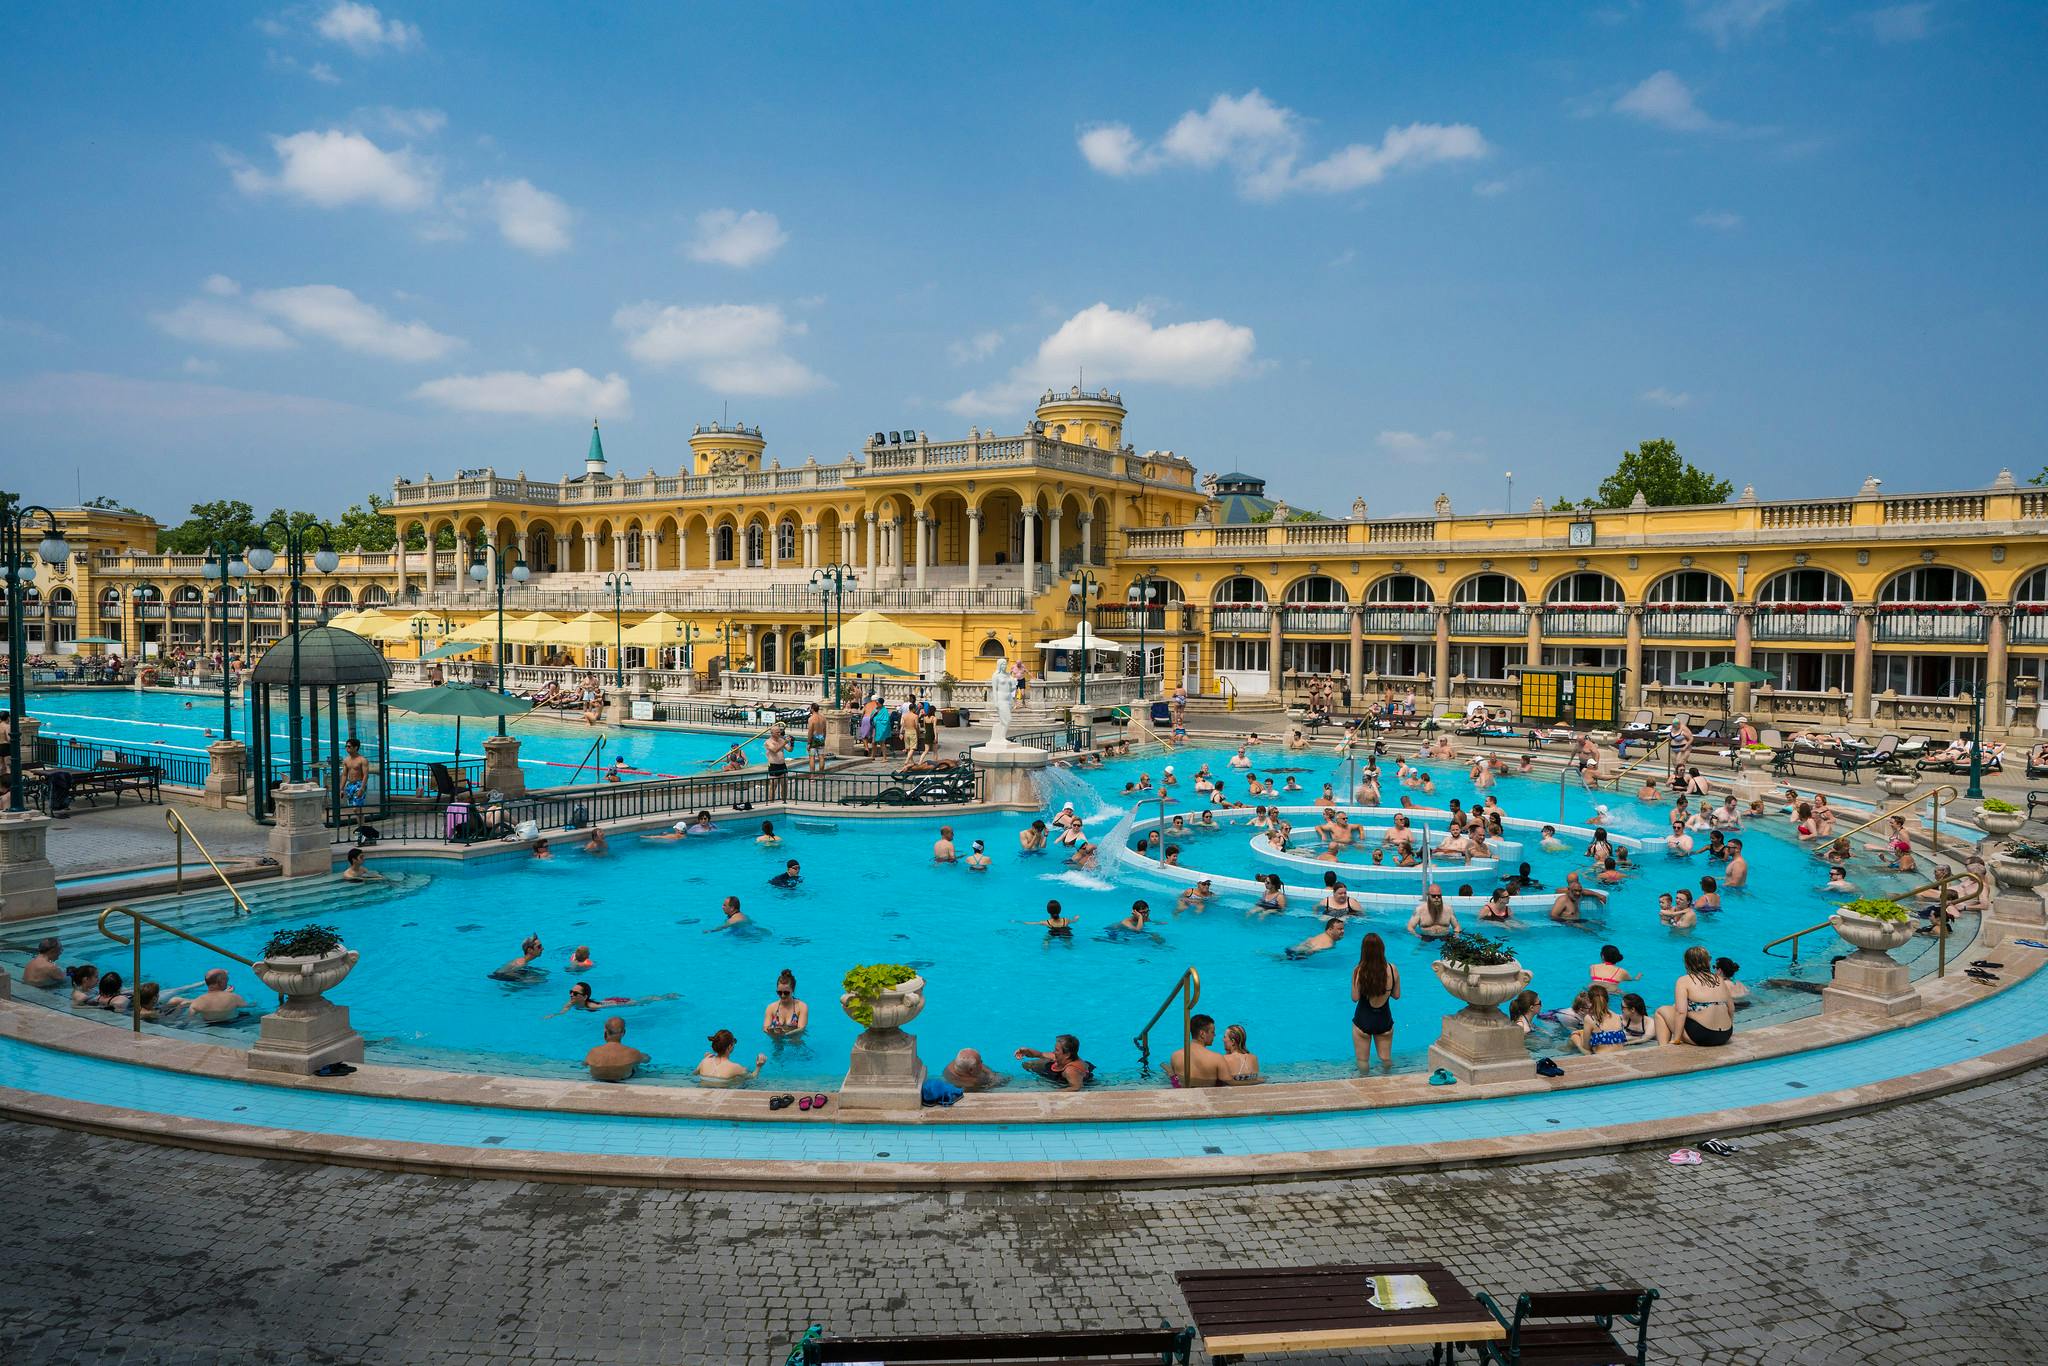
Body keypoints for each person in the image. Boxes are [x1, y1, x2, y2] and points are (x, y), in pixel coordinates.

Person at [1653, 945, 1737, 1047]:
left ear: (1687, 962)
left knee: (1661, 1011)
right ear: (1707, 961)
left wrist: (1677, 1039)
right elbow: (1731, 1008)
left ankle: (1665, 1050)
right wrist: (1729, 1027)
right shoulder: (1719, 979)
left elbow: (1681, 1012)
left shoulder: (1684, 980)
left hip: (1703, 1036)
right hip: (1725, 1035)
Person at [1350, 931, 1400, 1069]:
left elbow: (1355, 998)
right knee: (1386, 1059)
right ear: (1382, 949)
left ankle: (1363, 1087)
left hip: (1363, 1020)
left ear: (1364, 951)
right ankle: (1388, 1082)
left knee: (1363, 1061)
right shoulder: (1392, 969)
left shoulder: (1359, 970)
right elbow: (1396, 995)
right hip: (1384, 1019)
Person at [1166, 1013, 1226, 1088]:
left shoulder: (1175, 1056)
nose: (1214, 1035)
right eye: (1212, 1032)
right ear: (1202, 1034)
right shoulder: (1217, 1058)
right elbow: (1228, 1084)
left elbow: (1175, 1082)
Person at [1015, 1034, 1092, 1091]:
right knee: (1028, 1064)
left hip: (1069, 1079)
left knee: (1036, 1067)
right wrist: (1025, 1050)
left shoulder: (1070, 1071)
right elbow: (1040, 1054)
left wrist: (1053, 1092)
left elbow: (1076, 1087)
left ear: (1067, 1055)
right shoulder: (1062, 1057)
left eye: (1057, 1050)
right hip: (1059, 1070)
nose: (1053, 1052)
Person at [584, 1017, 650, 1083]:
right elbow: (647, 1060)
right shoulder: (632, 1053)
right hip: (623, 1077)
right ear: (624, 1032)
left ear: (605, 1033)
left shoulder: (593, 1052)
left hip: (597, 1077)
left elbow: (584, 1064)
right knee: (636, 1065)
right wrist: (640, 1056)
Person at [695, 1028, 767, 1085]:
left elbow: (695, 1074)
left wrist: (705, 1060)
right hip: (723, 1087)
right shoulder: (736, 1067)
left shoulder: (704, 1061)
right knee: (741, 1080)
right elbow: (753, 1078)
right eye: (734, 1043)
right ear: (730, 1046)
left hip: (704, 1085)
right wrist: (759, 1066)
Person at [1571, 985, 1628, 1055]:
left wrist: (1578, 1043)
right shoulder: (1617, 1016)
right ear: (1607, 1000)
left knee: (1575, 1036)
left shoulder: (1589, 1018)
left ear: (1590, 1002)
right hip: (1621, 1054)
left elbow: (1586, 1048)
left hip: (1602, 1057)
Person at [180, 967, 250, 1023]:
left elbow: (187, 1020)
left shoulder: (197, 1002)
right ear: (221, 982)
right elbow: (249, 1006)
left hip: (208, 1024)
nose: (227, 982)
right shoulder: (234, 997)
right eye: (226, 980)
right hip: (232, 1023)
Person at [764, 969, 808, 1036]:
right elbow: (765, 1027)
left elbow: (801, 1029)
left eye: (786, 993)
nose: (782, 995)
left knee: (795, 1041)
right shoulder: (771, 1008)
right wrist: (771, 1032)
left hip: (794, 1039)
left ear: (792, 990)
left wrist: (785, 1034)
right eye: (779, 992)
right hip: (777, 1038)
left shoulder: (801, 1007)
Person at [943, 1048, 1007, 1091]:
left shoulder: (953, 1065)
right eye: (980, 1062)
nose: (982, 1062)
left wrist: (991, 1074)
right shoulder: (972, 1084)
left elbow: (968, 1062)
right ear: (971, 1070)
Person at [340, 738, 369, 817]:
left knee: (356, 809)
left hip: (359, 784)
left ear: (356, 747)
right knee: (356, 809)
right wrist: (341, 789)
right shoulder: (346, 760)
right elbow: (344, 775)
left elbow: (366, 775)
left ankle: (361, 827)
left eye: (349, 746)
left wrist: (362, 788)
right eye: (346, 746)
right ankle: (361, 827)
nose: (347, 748)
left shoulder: (362, 760)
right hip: (350, 785)